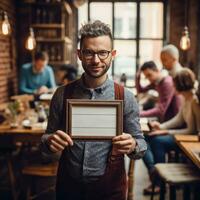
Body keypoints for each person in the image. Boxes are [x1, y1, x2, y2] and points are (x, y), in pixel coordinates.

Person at [40, 20, 147, 200]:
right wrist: (50, 141)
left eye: (103, 53)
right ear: (79, 54)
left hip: (110, 190)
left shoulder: (125, 97)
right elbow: (45, 139)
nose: (96, 60)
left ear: (112, 54)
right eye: (89, 53)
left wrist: (133, 145)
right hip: (69, 188)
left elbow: (141, 146)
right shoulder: (61, 94)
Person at [146, 68, 200, 188]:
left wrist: (165, 131)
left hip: (190, 139)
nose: (173, 86)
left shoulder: (194, 101)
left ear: (181, 84)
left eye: (175, 83)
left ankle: (158, 181)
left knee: (157, 141)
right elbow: (179, 119)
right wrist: (160, 126)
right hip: (183, 136)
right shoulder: (186, 98)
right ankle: (155, 173)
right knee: (151, 137)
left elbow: (192, 131)